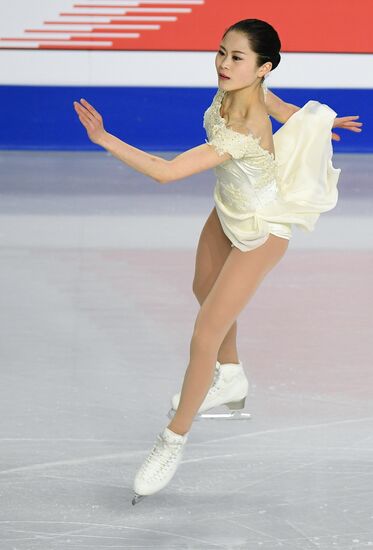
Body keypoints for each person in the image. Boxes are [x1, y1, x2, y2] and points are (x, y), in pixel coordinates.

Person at [73, 18, 363, 505]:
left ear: (262, 67)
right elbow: (287, 108)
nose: (224, 64)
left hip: (260, 231)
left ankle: (172, 439)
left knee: (205, 331)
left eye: (237, 58)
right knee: (201, 290)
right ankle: (231, 375)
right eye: (222, 52)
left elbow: (167, 173)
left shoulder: (245, 125)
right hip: (227, 209)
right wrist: (320, 123)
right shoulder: (247, 92)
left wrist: (105, 139)